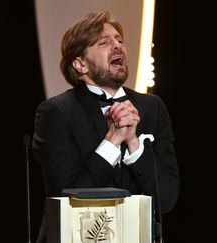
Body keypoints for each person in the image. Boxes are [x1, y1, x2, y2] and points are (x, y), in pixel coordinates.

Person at [32, 10, 179, 242]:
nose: (117, 46)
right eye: (104, 42)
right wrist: (113, 140)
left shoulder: (152, 107)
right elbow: (68, 196)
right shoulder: (55, 112)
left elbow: (167, 199)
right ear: (80, 64)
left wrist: (133, 143)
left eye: (119, 41)